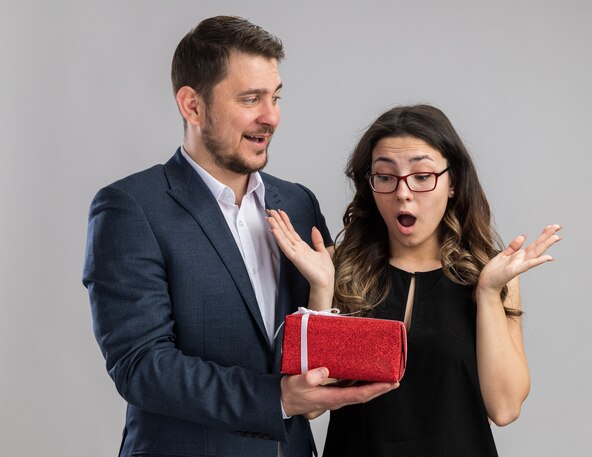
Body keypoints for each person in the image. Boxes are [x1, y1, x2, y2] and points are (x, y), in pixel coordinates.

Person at [82, 16, 397, 457]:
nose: (271, 117)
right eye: (251, 99)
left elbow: (317, 349)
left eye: (276, 97)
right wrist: (278, 398)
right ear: (192, 106)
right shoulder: (131, 208)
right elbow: (141, 366)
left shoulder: (298, 203)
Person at [266, 104, 561, 456]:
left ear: (453, 183)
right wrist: (322, 288)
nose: (403, 193)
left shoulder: (492, 276)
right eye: (386, 176)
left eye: (422, 176)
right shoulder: (336, 268)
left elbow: (505, 408)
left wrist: (487, 292)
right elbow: (312, 405)